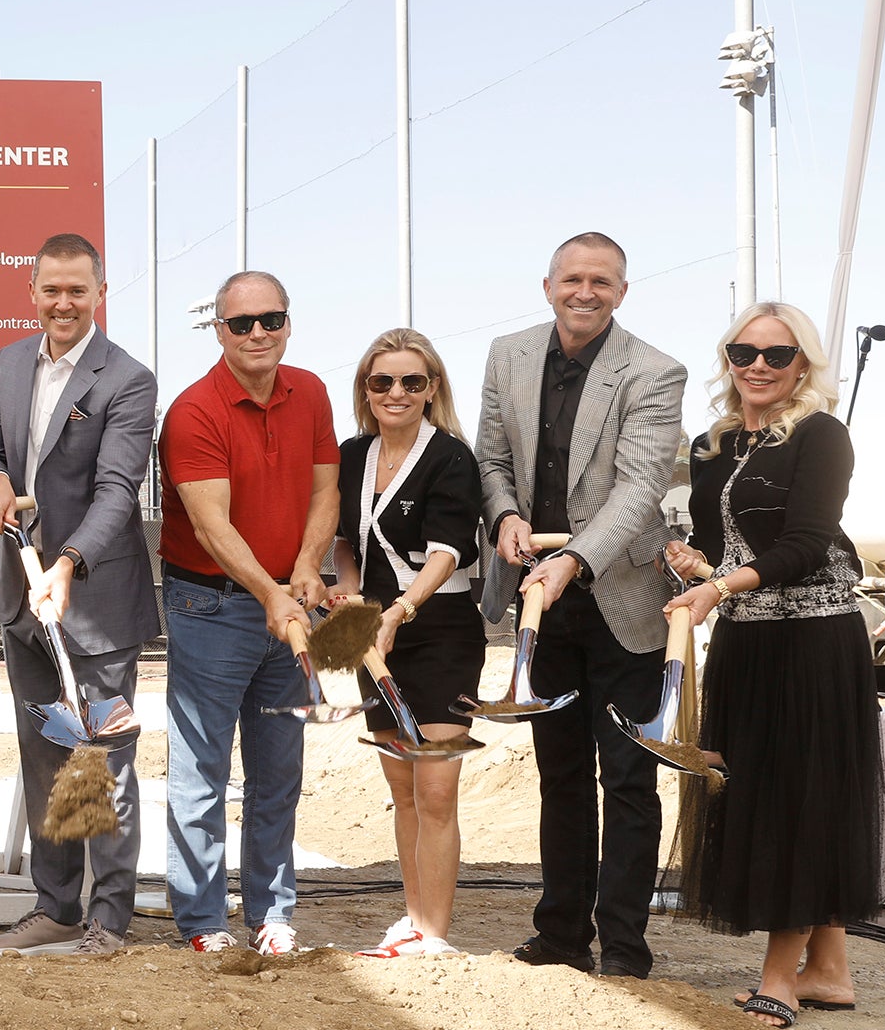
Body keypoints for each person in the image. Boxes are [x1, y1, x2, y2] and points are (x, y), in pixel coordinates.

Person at [664, 303, 885, 1027]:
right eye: (743, 351)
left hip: (813, 643)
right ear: (727, 359)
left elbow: (804, 543)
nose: (758, 365)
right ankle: (828, 968)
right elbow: (730, 544)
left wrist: (716, 587)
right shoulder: (712, 444)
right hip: (746, 642)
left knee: (801, 798)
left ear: (803, 364)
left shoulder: (822, 434)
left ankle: (779, 977)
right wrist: (697, 563)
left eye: (777, 353)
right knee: (760, 790)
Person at [474, 233, 685, 979]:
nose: (585, 291)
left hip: (622, 602)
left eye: (601, 280)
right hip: (543, 604)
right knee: (559, 777)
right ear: (548, 285)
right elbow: (492, 461)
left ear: (623, 291)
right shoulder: (509, 355)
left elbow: (638, 489)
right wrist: (504, 517)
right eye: (572, 279)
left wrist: (571, 559)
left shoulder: (656, 372)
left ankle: (625, 947)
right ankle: (562, 936)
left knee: (627, 779)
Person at [0, 233, 159, 956]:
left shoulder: (128, 379)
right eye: (51, 289)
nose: (63, 302)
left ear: (99, 294)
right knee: (46, 757)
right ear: (33, 291)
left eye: (77, 290)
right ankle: (55, 909)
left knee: (101, 761)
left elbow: (117, 491)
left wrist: (70, 561)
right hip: (23, 602)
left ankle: (110, 920)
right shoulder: (10, 362)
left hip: (97, 608)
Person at [157, 271, 338, 956]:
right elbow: (211, 526)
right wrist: (271, 593)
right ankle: (204, 925)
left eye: (271, 319)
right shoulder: (194, 411)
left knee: (278, 770)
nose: (258, 333)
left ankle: (272, 916)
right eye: (242, 323)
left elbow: (326, 492)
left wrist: (303, 571)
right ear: (220, 330)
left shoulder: (313, 392)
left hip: (287, 603)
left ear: (288, 323)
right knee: (200, 772)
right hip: (211, 605)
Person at [330, 329, 487, 957]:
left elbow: (449, 551)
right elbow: (344, 538)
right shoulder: (350, 454)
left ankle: (436, 934)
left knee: (435, 788)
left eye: (411, 382)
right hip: (376, 636)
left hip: (440, 631)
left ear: (432, 390)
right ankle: (415, 918)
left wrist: (399, 610)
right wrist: (351, 596)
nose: (396, 393)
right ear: (366, 389)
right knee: (402, 790)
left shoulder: (451, 456)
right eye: (382, 381)